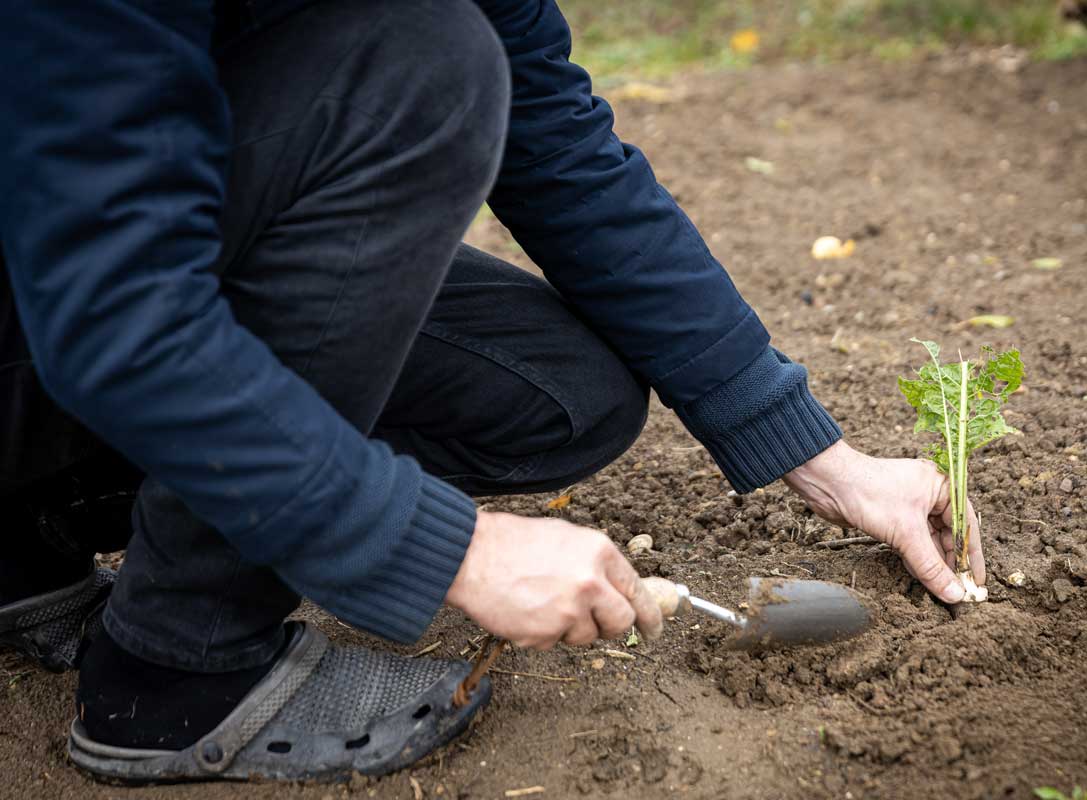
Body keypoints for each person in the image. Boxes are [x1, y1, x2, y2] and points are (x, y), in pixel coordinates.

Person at [0, 0, 984, 783]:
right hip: (63, 287)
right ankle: (179, 664)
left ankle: (25, 538)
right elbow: (114, 308)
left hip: (96, 261)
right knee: (421, 64)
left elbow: (557, 143)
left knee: (560, 390)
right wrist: (452, 548)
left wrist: (823, 458)